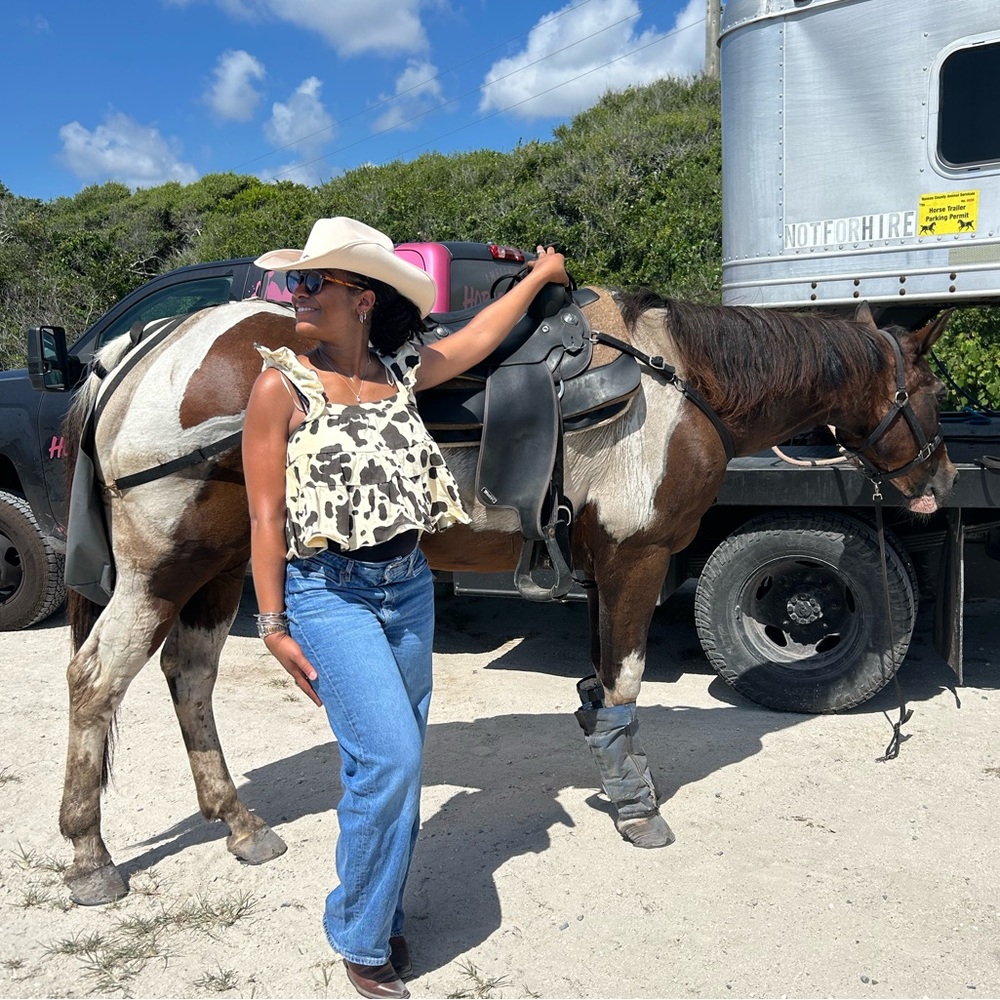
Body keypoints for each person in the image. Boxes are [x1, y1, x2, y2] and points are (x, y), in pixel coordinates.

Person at [243, 217, 569, 1000]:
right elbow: (264, 515)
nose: (295, 293)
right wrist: (272, 624)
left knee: (393, 763)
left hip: (408, 586)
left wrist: (537, 276)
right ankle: (359, 933)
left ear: (363, 299)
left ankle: (378, 905)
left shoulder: (401, 369)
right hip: (328, 593)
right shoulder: (279, 386)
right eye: (294, 280)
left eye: (312, 281)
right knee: (390, 760)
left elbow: (480, 337)